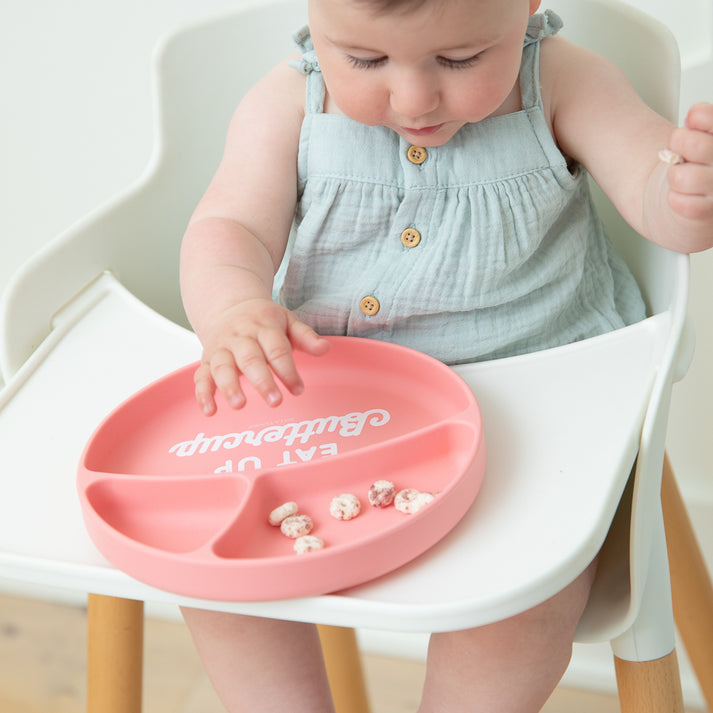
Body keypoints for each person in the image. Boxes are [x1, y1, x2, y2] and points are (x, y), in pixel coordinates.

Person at [179, 1, 713, 710]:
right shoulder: (288, 102)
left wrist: (684, 196)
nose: (413, 98)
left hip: (535, 417)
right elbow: (231, 226)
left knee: (517, 604)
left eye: (460, 60)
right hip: (344, 413)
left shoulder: (561, 81)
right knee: (216, 566)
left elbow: (652, 196)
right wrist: (234, 307)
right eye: (365, 60)